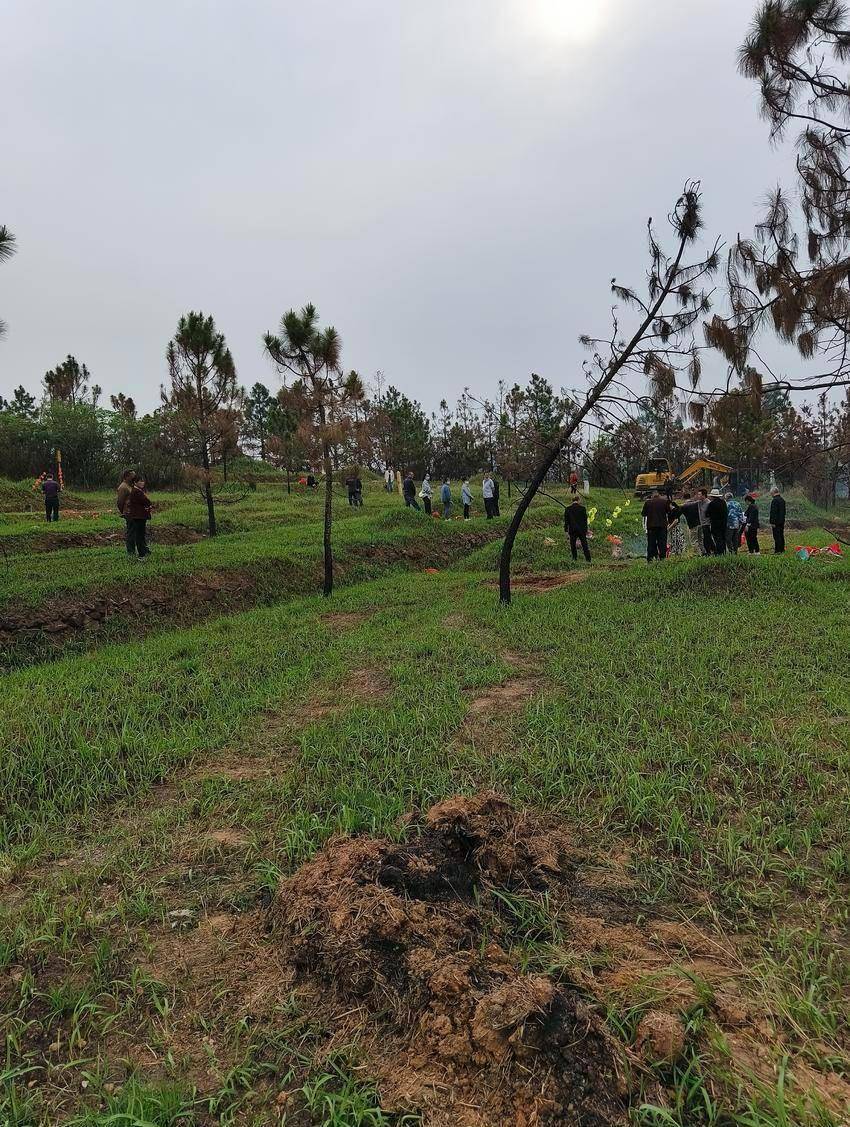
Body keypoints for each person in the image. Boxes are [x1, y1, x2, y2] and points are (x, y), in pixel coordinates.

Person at [642, 488, 674, 562]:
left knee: (651, 543)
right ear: (659, 495)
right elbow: (669, 512)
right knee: (662, 543)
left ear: (652, 496)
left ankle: (650, 559)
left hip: (651, 526)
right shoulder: (664, 502)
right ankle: (662, 558)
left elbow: (643, 514)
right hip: (662, 526)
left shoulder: (648, 503)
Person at [125, 476, 152, 559]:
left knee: (140, 535)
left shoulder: (137, 491)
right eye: (140, 481)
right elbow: (147, 501)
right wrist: (148, 505)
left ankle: (144, 552)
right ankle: (141, 555)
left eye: (143, 481)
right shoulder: (137, 492)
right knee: (140, 536)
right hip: (139, 517)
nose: (142, 483)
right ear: (135, 483)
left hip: (138, 516)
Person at [564, 496, 591, 562]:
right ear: (578, 500)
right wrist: (587, 529)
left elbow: (566, 521)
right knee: (584, 545)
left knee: (573, 545)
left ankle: (574, 558)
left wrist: (566, 530)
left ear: (572, 501)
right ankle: (588, 559)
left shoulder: (568, 509)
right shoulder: (583, 508)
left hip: (572, 530)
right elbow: (585, 520)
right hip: (581, 530)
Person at [116, 469, 136, 552]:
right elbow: (120, 502)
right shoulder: (123, 487)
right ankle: (130, 551)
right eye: (132, 476)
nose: (134, 477)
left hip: (134, 512)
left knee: (134, 532)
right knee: (131, 532)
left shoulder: (130, 485)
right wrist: (124, 512)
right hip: (129, 513)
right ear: (127, 476)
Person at [679, 491, 704, 556]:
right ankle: (703, 551)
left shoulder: (684, 506)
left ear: (683, 498)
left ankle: (697, 554)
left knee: (694, 540)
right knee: (700, 539)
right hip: (700, 523)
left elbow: (679, 513)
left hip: (692, 525)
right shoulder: (695, 504)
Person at [706, 489, 728, 555]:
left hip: (715, 524)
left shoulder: (712, 504)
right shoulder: (723, 502)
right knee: (723, 538)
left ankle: (719, 552)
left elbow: (707, 514)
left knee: (717, 539)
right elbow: (726, 512)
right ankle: (724, 552)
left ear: (712, 496)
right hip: (723, 524)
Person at [697, 487, 714, 555]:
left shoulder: (708, 503)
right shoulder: (699, 502)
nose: (698, 496)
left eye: (699, 494)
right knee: (706, 538)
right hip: (702, 523)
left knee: (707, 538)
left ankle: (710, 551)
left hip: (707, 523)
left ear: (704, 495)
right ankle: (711, 550)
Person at [769, 486, 786, 553]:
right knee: (781, 535)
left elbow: (773, 512)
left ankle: (777, 550)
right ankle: (782, 549)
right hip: (781, 521)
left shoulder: (774, 500)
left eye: (771, 493)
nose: (771, 494)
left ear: (773, 492)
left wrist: (772, 522)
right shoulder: (782, 500)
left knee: (776, 536)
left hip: (776, 522)